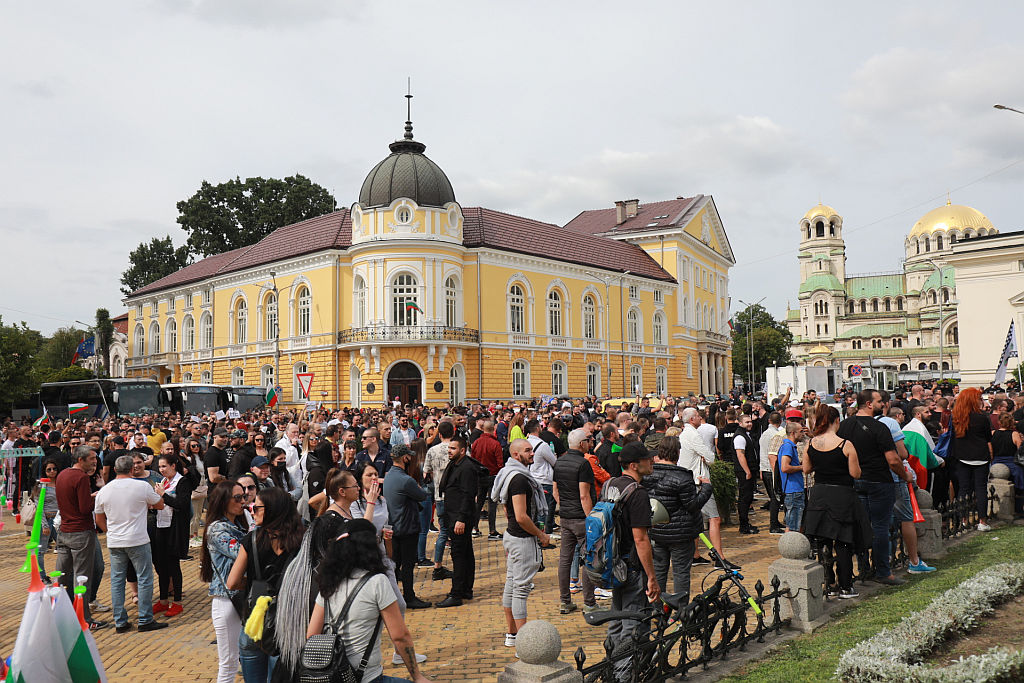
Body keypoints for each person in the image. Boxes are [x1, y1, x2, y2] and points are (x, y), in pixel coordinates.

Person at [307, 519, 432, 683]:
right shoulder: (377, 582)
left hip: (332, 676)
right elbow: (400, 636)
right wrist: (417, 676)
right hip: (367, 677)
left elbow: (311, 636)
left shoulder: (328, 582)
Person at [354, 459, 429, 664]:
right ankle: (367, 656)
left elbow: (384, 525)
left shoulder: (382, 500)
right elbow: (362, 528)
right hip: (363, 561)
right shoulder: (356, 503)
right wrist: (369, 502)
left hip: (382, 556)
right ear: (360, 480)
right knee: (370, 612)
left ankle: (399, 652)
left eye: (375, 474)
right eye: (368, 475)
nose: (373, 478)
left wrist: (388, 544)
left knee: (400, 604)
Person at [227, 486, 304, 682]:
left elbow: (232, 582)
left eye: (256, 507)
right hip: (287, 625)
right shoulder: (301, 540)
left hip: (254, 624)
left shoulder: (252, 540)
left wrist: (255, 583)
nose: (252, 511)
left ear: (272, 509)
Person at [837, 390, 909, 586]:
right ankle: (883, 571)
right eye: (879, 401)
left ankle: (863, 568)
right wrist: (906, 476)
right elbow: (893, 460)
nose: (883, 404)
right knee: (880, 527)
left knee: (861, 526)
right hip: (878, 480)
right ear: (869, 404)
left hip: (855, 480)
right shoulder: (879, 427)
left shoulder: (844, 426)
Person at [802, 404, 871, 599]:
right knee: (843, 542)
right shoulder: (845, 444)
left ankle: (829, 582)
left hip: (820, 494)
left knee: (823, 541)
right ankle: (845, 586)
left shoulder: (811, 443)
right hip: (842, 495)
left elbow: (806, 469)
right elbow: (855, 473)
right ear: (836, 421)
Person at [94, 455, 168, 633]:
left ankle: (120, 621)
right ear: (131, 469)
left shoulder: (105, 490)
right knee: (144, 579)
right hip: (138, 539)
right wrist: (158, 496)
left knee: (117, 581)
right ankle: (145, 619)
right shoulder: (141, 486)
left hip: (115, 541)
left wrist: (109, 532)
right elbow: (160, 505)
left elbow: (99, 518)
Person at [603, 441, 659, 677]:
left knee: (616, 619)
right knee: (633, 625)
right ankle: (626, 675)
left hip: (612, 564)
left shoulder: (609, 484)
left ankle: (611, 669)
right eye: (648, 459)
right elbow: (641, 539)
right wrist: (652, 576)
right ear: (635, 465)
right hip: (632, 567)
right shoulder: (637, 493)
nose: (652, 461)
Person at [491, 438, 549, 648]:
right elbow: (522, 516)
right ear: (516, 455)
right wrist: (541, 535)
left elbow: (507, 509)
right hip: (523, 539)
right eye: (527, 451)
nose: (532, 453)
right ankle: (524, 643)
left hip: (512, 535)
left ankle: (512, 635)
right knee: (520, 589)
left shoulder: (508, 473)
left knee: (512, 585)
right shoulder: (519, 479)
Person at [644, 436, 713, 601]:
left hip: (657, 530)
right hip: (680, 533)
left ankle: (657, 609)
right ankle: (681, 610)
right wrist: (706, 488)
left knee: (659, 572)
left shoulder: (648, 475)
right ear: (677, 453)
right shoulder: (682, 477)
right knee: (681, 573)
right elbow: (693, 505)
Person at [677, 408, 737, 569]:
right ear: (691, 419)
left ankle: (695, 555)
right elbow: (710, 458)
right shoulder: (693, 434)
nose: (700, 417)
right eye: (697, 416)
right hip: (699, 481)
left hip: (689, 480)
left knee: (696, 521)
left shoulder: (684, 434)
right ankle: (720, 558)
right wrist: (707, 458)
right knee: (714, 518)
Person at [202, 480, 248, 683]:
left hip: (242, 596)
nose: (243, 501)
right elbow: (241, 553)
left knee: (243, 658)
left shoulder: (238, 523)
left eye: (244, 496)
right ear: (223, 501)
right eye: (237, 498)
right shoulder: (217, 530)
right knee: (229, 662)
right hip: (226, 600)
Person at [55, 446, 105, 629]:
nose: (94, 461)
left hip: (64, 530)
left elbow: (73, 501)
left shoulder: (62, 475)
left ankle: (61, 614)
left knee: (62, 576)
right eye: (91, 458)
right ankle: (84, 618)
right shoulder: (82, 477)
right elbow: (85, 508)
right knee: (82, 578)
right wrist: (98, 497)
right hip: (81, 531)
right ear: (81, 459)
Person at [382, 444, 432, 610]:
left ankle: (395, 596)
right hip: (407, 527)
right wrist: (420, 487)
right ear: (404, 458)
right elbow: (423, 495)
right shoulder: (406, 480)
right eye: (409, 456)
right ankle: (409, 597)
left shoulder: (389, 476)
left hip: (394, 527)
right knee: (408, 565)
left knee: (395, 565)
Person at [553, 428, 597, 614]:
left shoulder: (559, 462)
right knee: (589, 558)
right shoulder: (583, 464)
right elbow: (584, 496)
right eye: (588, 439)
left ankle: (565, 601)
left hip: (565, 517)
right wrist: (591, 519)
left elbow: (556, 491)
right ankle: (589, 603)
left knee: (565, 559)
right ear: (581, 444)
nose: (590, 442)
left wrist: (565, 507)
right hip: (581, 517)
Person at [436, 434, 479, 607]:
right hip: (453, 515)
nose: (449, 451)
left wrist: (461, 519)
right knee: (465, 553)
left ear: (462, 450)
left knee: (459, 555)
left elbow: (468, 495)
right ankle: (465, 589)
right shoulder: (455, 464)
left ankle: (457, 593)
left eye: (453, 448)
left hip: (460, 518)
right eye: (449, 448)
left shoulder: (467, 467)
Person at [152, 453, 195, 617]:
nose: (161, 470)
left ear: (173, 466)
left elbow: (182, 505)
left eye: (164, 466)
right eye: (160, 467)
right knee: (161, 565)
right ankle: (163, 600)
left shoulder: (182, 482)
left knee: (173, 565)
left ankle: (177, 601)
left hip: (175, 529)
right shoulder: (163, 482)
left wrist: (163, 495)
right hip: (161, 525)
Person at [951, 387, 994, 531]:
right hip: (980, 456)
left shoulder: (956, 417)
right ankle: (982, 521)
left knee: (963, 488)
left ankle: (963, 519)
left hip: (962, 456)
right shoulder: (982, 417)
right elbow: (988, 438)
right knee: (980, 488)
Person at [423, 421, 454, 581]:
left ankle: (437, 566)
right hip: (456, 496)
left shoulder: (432, 451)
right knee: (457, 533)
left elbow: (425, 472)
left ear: (439, 435)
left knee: (443, 532)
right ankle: (459, 564)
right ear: (453, 433)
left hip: (439, 495)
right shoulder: (458, 449)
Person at [472, 419, 503, 539]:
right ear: (493, 429)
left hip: (479, 476)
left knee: (478, 503)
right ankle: (492, 530)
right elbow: (500, 464)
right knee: (492, 503)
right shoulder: (495, 444)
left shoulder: (476, 442)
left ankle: (474, 528)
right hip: (492, 476)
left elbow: (473, 460)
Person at [525, 419, 557, 532]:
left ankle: (536, 534)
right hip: (543, 480)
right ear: (538, 428)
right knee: (544, 511)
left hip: (530, 478)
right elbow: (554, 462)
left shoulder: (526, 442)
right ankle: (544, 535)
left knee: (533, 510)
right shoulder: (542, 445)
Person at [758, 411, 786, 534]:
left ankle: (775, 522)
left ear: (769, 421)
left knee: (774, 497)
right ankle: (773, 525)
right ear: (780, 421)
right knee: (775, 498)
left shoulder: (764, 433)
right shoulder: (776, 435)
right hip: (771, 469)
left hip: (765, 468)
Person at [732, 413, 759, 534]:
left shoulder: (746, 435)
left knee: (748, 498)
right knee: (744, 498)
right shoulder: (740, 437)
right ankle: (743, 526)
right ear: (740, 423)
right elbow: (740, 455)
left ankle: (745, 523)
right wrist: (747, 471)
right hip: (744, 471)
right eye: (747, 422)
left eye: (750, 421)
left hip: (749, 470)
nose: (750, 424)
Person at [992, 412, 1024, 515]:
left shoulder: (993, 433)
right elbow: (1020, 451)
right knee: (1020, 483)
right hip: (1012, 462)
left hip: (996, 462)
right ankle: (1019, 508)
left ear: (999, 422)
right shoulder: (1014, 434)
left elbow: (990, 450)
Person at [777, 422, 806, 532]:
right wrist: (801, 467)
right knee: (794, 527)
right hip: (794, 490)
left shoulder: (789, 446)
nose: (803, 434)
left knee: (791, 525)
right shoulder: (788, 447)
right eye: (801, 431)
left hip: (793, 490)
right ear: (793, 433)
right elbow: (785, 467)